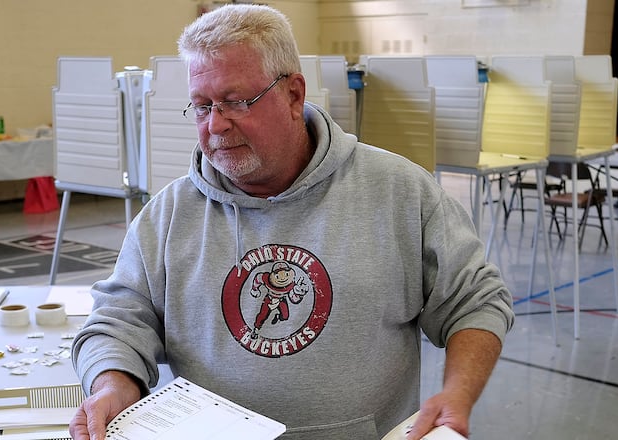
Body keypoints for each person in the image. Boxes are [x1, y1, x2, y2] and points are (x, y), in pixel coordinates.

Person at [69, 4, 514, 440]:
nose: (215, 126)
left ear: (293, 95)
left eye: (235, 102)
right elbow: (119, 319)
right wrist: (113, 384)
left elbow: (474, 301)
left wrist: (457, 393)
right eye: (202, 107)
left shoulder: (399, 192)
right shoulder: (168, 215)